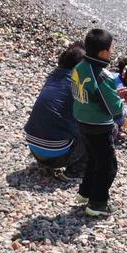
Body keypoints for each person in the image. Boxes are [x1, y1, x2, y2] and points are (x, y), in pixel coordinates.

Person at [70, 28, 127, 217]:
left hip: (81, 120)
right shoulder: (103, 76)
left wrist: (114, 94)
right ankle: (97, 204)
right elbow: (115, 111)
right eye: (111, 49)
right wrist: (126, 106)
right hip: (99, 126)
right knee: (107, 166)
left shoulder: (79, 67)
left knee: (93, 159)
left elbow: (92, 93)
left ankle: (85, 192)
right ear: (104, 52)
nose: (112, 53)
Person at [23, 42, 87, 178]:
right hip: (57, 154)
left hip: (34, 147)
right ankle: (75, 170)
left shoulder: (53, 77)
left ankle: (45, 160)